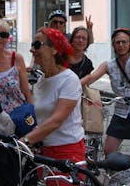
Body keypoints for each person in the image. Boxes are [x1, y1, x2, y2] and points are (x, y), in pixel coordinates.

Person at [81, 28, 130, 162]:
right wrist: (72, 84)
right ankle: (115, 178)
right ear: (113, 45)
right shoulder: (109, 65)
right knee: (109, 149)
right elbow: (91, 77)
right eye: (117, 42)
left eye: (124, 42)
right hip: (121, 112)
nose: (121, 45)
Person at [22, 28, 85, 178]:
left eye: (37, 45)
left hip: (67, 151)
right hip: (44, 150)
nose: (32, 49)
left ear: (54, 49)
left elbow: (56, 120)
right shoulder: (41, 80)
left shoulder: (69, 80)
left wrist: (25, 140)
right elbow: (42, 117)